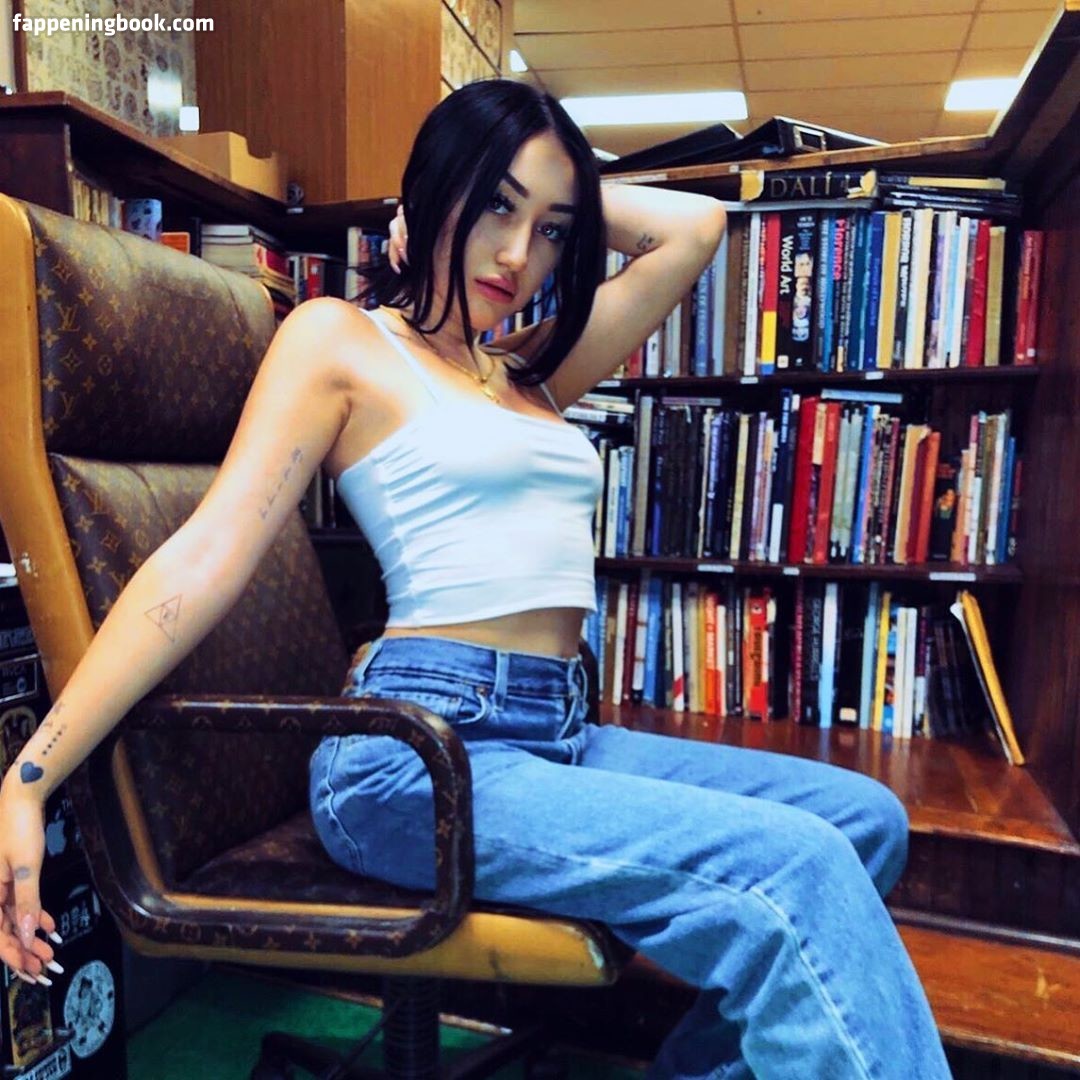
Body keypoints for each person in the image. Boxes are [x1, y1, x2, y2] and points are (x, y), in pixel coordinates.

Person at [0, 79, 951, 1078]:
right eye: (495, 205)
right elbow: (205, 554)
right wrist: (31, 776)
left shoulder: (526, 372)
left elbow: (695, 230)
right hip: (414, 757)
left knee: (864, 824)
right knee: (798, 870)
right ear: (432, 194)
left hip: (557, 729)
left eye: (552, 230)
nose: (517, 255)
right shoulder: (343, 341)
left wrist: (538, 189)